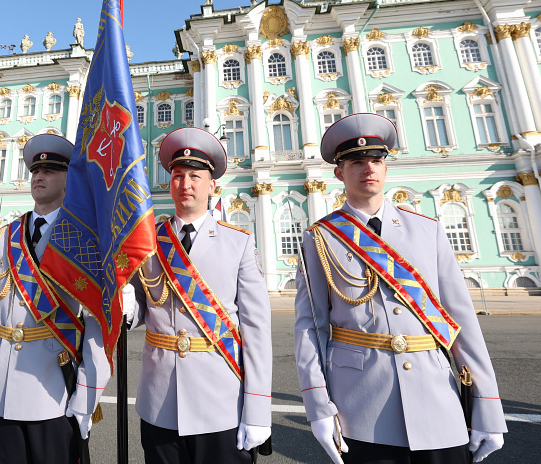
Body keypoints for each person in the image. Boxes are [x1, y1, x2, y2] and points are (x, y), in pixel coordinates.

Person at [294, 113, 506, 464]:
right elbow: (311, 328)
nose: (369, 169)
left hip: (438, 401)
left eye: (376, 160)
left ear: (385, 167)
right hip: (361, 407)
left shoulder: (427, 230)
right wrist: (318, 406)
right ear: (339, 173)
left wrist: (487, 405)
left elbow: (461, 321)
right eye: (357, 162)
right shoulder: (320, 238)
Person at [128, 127, 272, 463]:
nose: (186, 184)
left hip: (219, 401)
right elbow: (139, 306)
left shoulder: (238, 243)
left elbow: (256, 331)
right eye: (178, 176)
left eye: (195, 176)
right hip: (160, 399)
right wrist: (126, 306)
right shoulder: (148, 242)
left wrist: (257, 410)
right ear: (169, 183)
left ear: (212, 185)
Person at [0, 134, 109, 464]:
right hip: (2, 387)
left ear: (69, 180)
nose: (39, 177)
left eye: (50, 171)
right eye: (35, 171)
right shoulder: (7, 235)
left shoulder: (84, 239)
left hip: (54, 388)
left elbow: (96, 320)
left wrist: (89, 392)